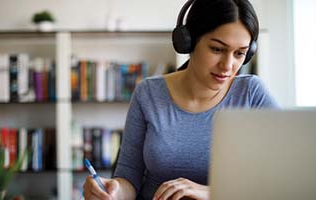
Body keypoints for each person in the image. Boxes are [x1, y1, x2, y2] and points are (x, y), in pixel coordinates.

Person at [83, 0, 279, 199]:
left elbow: (282, 176)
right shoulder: (148, 94)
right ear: (189, 41)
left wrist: (211, 192)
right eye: (217, 49)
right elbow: (128, 178)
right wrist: (112, 191)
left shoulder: (252, 94)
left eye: (239, 53)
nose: (228, 65)